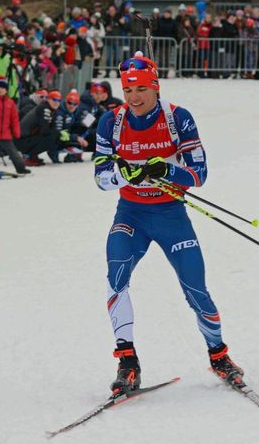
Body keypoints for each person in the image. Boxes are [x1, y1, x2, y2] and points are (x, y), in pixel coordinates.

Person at [93, 52, 242, 394]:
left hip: (171, 216)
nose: (134, 97)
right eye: (128, 90)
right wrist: (121, 173)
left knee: (196, 290)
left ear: (155, 87)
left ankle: (219, 356)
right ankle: (127, 362)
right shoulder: (111, 122)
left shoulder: (178, 119)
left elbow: (199, 175)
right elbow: (100, 179)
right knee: (116, 279)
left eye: (142, 89)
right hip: (130, 215)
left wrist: (168, 170)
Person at [16, 90, 61, 166]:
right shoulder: (45, 109)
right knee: (53, 136)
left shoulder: (51, 109)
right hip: (21, 140)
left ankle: (33, 156)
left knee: (55, 135)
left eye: (59, 100)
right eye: (54, 99)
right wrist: (58, 133)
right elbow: (44, 130)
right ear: (48, 99)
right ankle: (29, 157)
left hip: (23, 138)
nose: (56, 102)